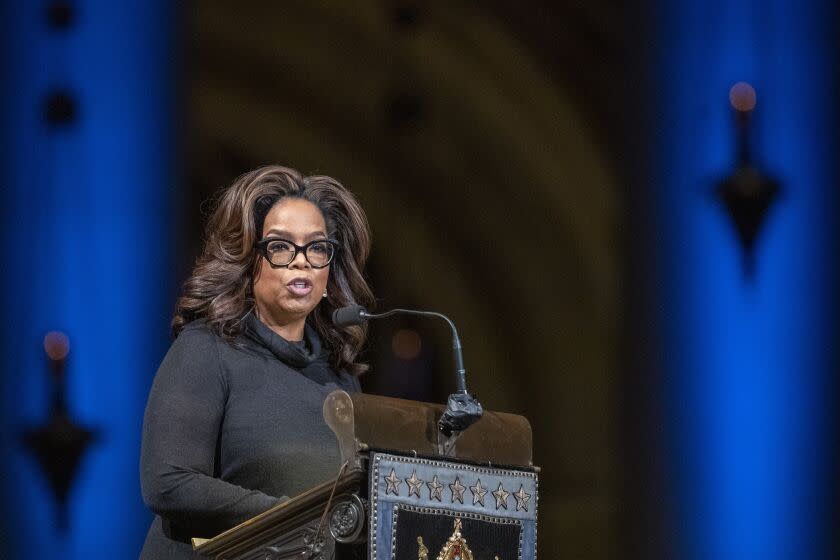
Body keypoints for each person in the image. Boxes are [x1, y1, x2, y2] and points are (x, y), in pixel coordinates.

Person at [139, 165, 374, 558]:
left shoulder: (341, 380)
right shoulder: (206, 350)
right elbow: (169, 481)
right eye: (281, 246)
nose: (302, 262)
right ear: (250, 258)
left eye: (317, 247)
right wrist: (287, 516)